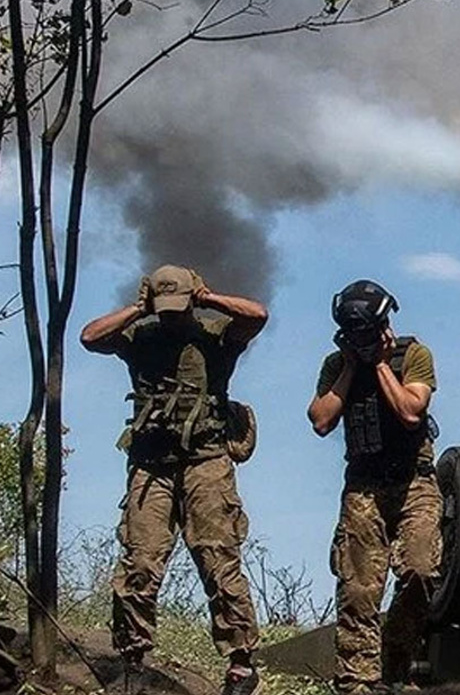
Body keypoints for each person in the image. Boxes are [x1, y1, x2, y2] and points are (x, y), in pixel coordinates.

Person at [80, 265, 268, 695]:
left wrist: (209, 297)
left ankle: (241, 663)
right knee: (139, 563)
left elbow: (257, 316)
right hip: (152, 466)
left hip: (206, 463)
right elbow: (90, 337)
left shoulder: (215, 333)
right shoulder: (139, 336)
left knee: (219, 560)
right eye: (163, 309)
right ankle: (132, 661)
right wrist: (137, 309)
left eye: (176, 307)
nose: (170, 316)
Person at [308, 279, 442, 695]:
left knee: (421, 570)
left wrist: (382, 364)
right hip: (364, 485)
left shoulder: (412, 356)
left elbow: (409, 412)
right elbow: (321, 420)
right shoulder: (336, 365)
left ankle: (395, 658)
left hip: (413, 482)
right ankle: (357, 680)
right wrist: (351, 367)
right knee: (359, 588)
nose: (361, 340)